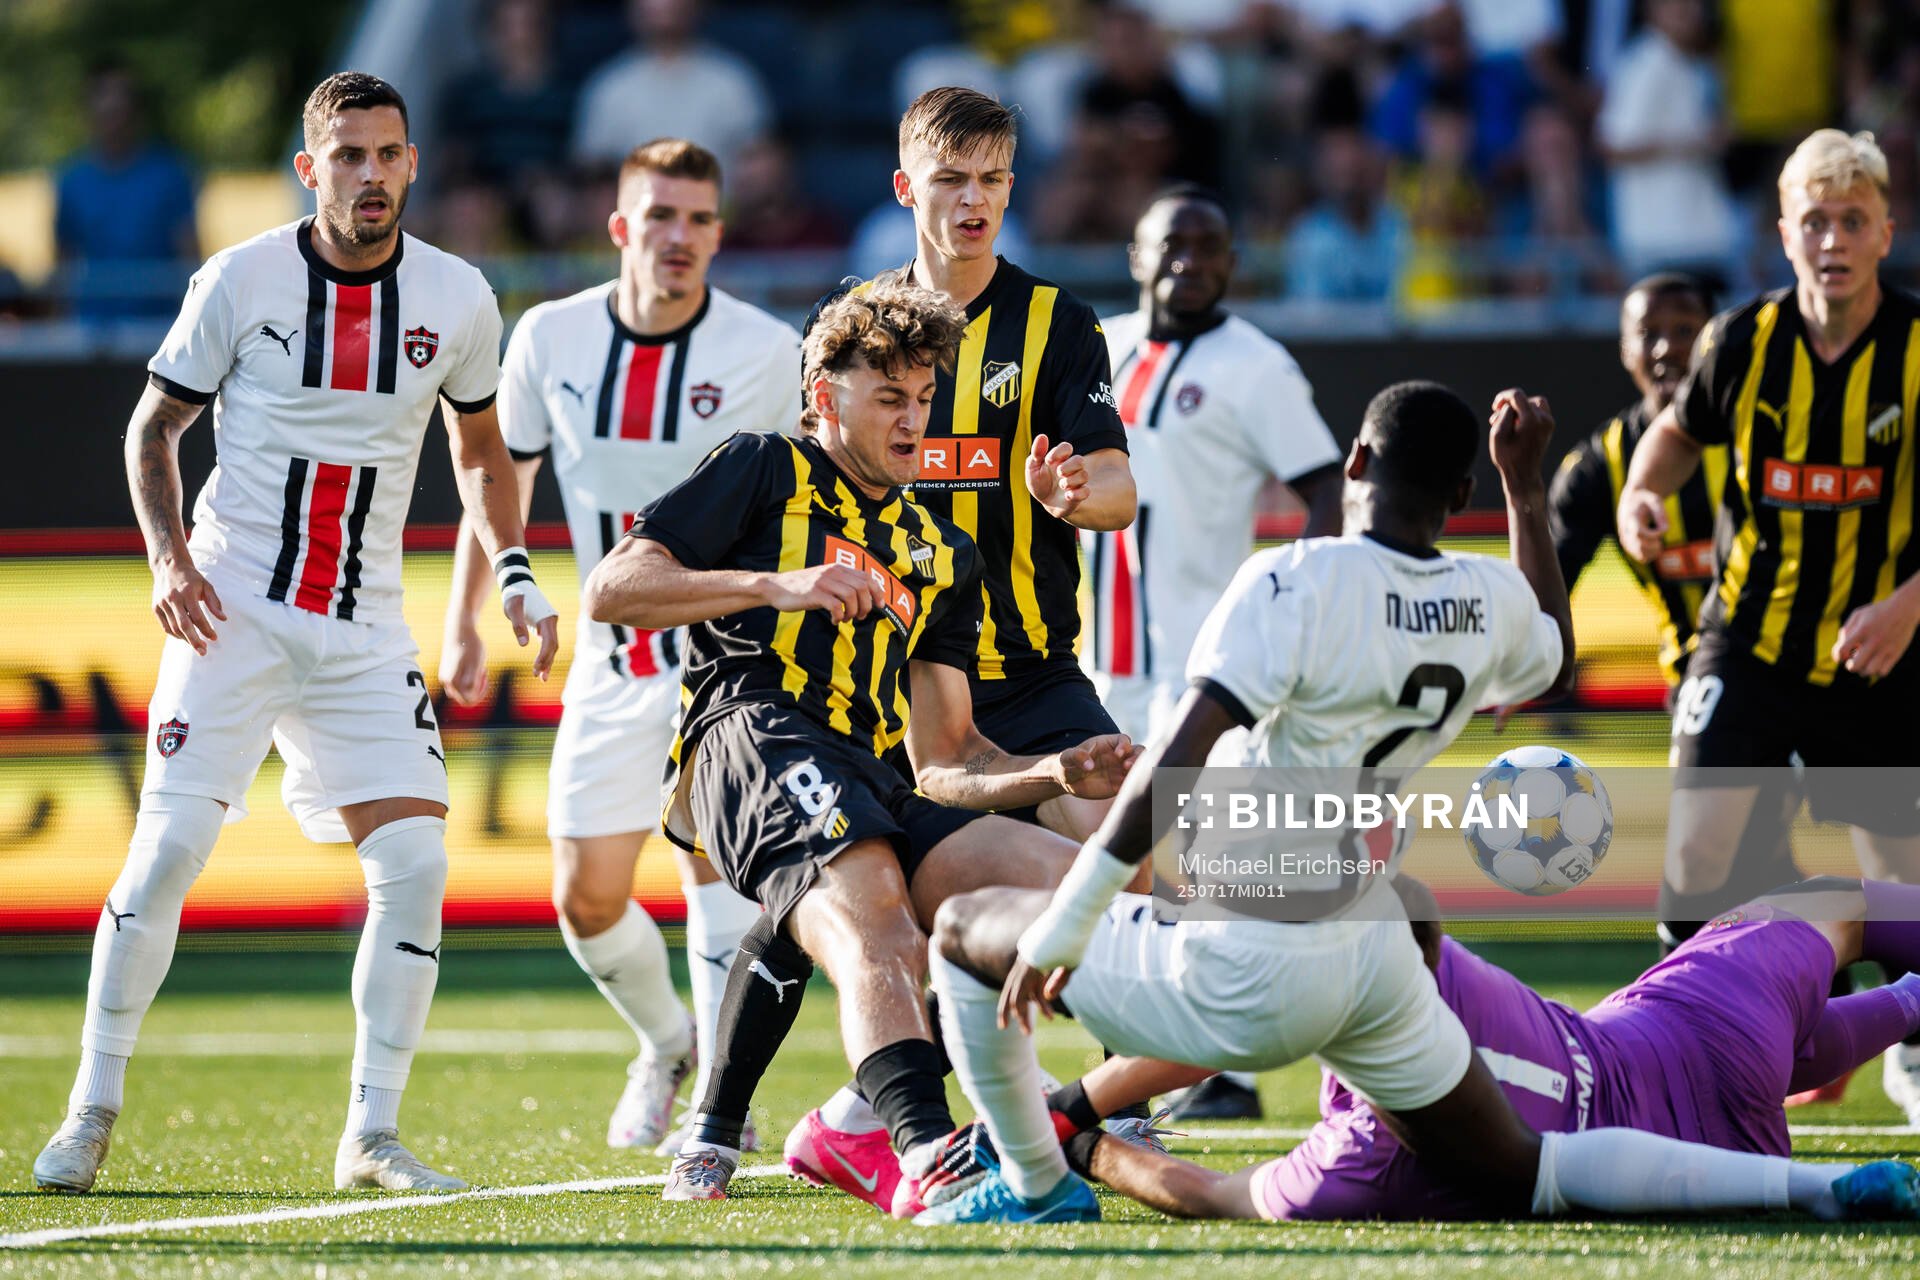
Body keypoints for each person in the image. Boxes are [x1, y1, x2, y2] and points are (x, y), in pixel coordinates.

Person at [923, 379, 1920, 1227]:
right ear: (1457, 494)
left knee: (965, 929)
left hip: (1260, 953)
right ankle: (1823, 1183)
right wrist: (1528, 487)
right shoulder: (1484, 601)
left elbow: (1178, 758)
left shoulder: (1295, 577)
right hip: (1372, 949)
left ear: (1355, 457)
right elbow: (1552, 646)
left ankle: (1037, 1180)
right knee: (1522, 1171)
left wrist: (1069, 921)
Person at [32, 73, 561, 1195]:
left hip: (367, 626)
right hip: (233, 608)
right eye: (350, 155)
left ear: (413, 164)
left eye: (390, 154)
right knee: (168, 851)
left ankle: (371, 1134)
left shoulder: (461, 296)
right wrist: (170, 563)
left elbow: (479, 452)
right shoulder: (241, 277)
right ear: (308, 169)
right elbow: (153, 430)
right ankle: (90, 1108)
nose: (372, 175)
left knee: (416, 865)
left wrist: (512, 572)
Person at [669, 85, 1143, 1199]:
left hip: (1019, 670)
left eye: (992, 180)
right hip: (863, 682)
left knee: (1117, 887)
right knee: (849, 886)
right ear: (907, 190)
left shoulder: (1055, 325)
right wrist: (775, 590)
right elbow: (779, 488)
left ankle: (1020, 1111)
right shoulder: (852, 332)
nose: (973, 202)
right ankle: (736, 1118)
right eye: (951, 180)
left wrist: (1076, 493)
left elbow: (1117, 483)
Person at [581, 283, 1136, 1211]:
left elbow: (948, 759)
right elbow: (612, 589)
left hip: (870, 773)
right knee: (868, 895)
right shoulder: (763, 467)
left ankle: (790, 1125)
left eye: (923, 397)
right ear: (821, 394)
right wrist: (774, 584)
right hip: (749, 732)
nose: (913, 418)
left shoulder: (943, 550)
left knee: (1069, 891)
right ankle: (928, 1157)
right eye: (889, 396)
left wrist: (1051, 771)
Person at [439, 138, 799, 1154]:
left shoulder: (767, 349)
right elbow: (494, 478)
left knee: (713, 877)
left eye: (697, 219)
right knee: (586, 896)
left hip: (729, 665)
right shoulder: (549, 336)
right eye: (660, 216)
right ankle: (668, 1040)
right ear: (620, 227)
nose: (678, 236)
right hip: (610, 664)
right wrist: (469, 613)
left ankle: (715, 1104)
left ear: (720, 234)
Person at [1000, 875, 1920, 1223]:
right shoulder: (1431, 965)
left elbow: (1208, 1191)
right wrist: (1077, 1113)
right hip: (1693, 1033)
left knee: (1782, 1048)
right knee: (1842, 902)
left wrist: (1076, 1136)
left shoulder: (1359, 1162)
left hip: (1719, 1159)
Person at [1615, 128, 1920, 1127]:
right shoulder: (1743, 340)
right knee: (1695, 854)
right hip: (1744, 641)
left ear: (1886, 232)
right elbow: (1673, 434)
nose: (1832, 238)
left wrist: (1908, 604)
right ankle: (1678, 1045)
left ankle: (1910, 1056)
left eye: (1852, 221)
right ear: (1783, 234)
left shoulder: (1919, 352)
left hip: (1876, 654)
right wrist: (1639, 497)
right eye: (1814, 222)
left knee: (1898, 891)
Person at [1084, 183, 1344, 1120]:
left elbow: (1325, 485)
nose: (1189, 261)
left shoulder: (1255, 364)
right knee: (1116, 865)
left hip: (1200, 667)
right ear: (1136, 255)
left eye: (1209, 246)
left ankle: (1218, 1071)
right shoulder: (1097, 346)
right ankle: (1148, 1061)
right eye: (1171, 244)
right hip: (1091, 657)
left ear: (1233, 263)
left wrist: (1300, 601)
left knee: (1192, 863)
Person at [55, 58, 198, 323]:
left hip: (158, 326)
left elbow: (189, 257)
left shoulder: (171, 175)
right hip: (90, 329)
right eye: (105, 106)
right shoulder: (72, 180)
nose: (114, 116)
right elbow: (64, 264)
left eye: (121, 106)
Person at [570, 0, 772, 176]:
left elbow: (759, 167)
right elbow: (592, 175)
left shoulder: (732, 80)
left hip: (722, 216)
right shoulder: (608, 87)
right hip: (635, 217)